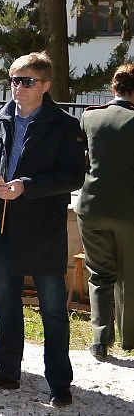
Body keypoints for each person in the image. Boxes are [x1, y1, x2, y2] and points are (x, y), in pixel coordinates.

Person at [0, 52, 86, 407]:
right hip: (0, 228)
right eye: (14, 80)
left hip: (43, 231)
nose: (17, 87)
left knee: (52, 309)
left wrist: (26, 186)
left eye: (26, 81)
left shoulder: (64, 125)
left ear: (45, 85)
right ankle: (7, 371)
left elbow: (73, 175)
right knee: (4, 303)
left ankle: (59, 382)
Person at [75, 63, 134, 359]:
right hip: (128, 209)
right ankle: (129, 339)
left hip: (91, 205)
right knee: (129, 275)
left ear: (112, 88)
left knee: (99, 274)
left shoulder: (90, 116)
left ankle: (100, 340)